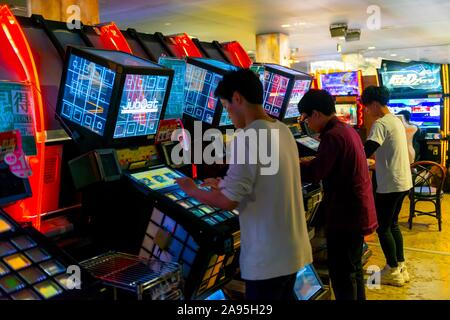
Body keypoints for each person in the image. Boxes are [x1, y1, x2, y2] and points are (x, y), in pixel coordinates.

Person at [176, 69, 312, 300]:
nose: (228, 114)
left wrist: (192, 190)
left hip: (267, 259)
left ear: (237, 98)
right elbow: (266, 179)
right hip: (293, 251)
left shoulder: (248, 137)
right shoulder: (282, 130)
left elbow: (228, 202)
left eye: (227, 106)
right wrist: (224, 183)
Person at [297, 89, 378, 300]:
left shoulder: (332, 136)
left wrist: (290, 165)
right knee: (353, 270)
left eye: (305, 117)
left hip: (346, 216)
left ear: (315, 114)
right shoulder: (345, 129)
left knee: (342, 274)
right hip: (356, 212)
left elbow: (316, 173)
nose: (306, 123)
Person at [362, 86, 413, 287]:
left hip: (389, 183)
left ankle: (392, 270)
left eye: (366, 106)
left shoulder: (380, 124)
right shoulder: (397, 121)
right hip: (403, 181)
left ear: (374, 103)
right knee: (392, 225)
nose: (366, 110)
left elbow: (366, 151)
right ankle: (400, 267)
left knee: (383, 228)